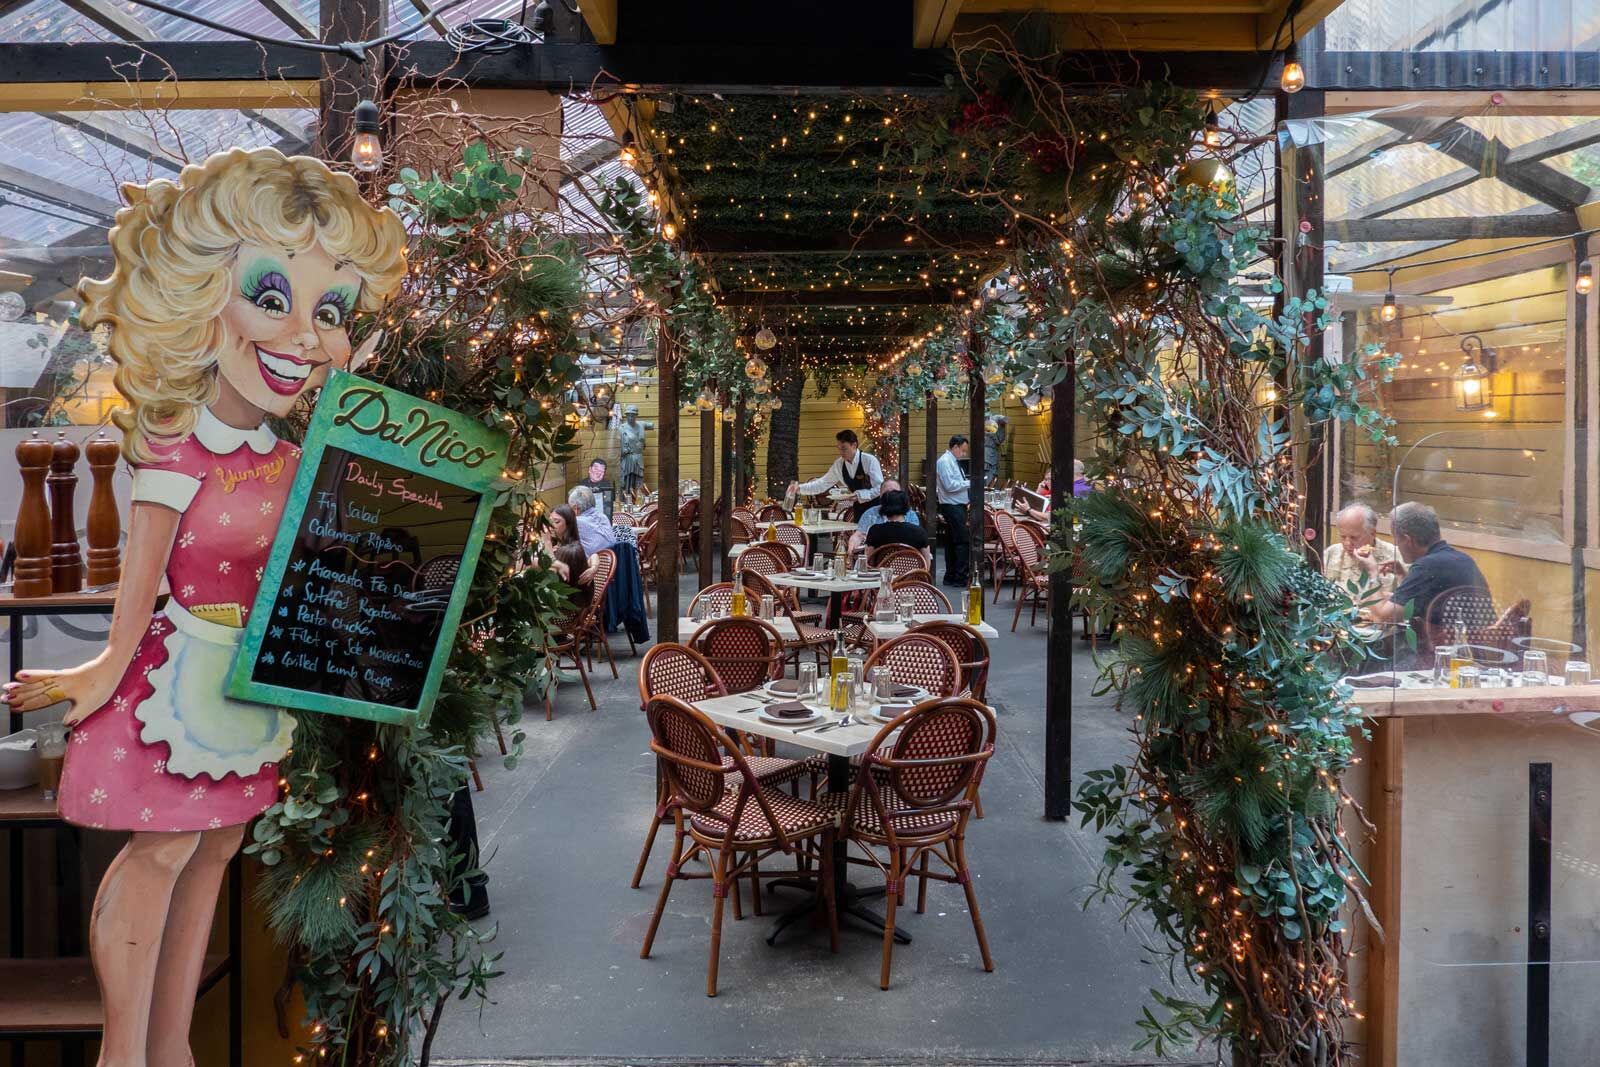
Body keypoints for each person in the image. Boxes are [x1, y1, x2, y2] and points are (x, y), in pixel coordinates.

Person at [1, 148, 408, 1067]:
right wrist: (91, 676)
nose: (305, 334)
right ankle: (123, 1051)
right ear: (197, 298)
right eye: (274, 296)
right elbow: (133, 607)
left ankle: (171, 1046)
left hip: (250, 690)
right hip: (169, 693)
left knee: (214, 856)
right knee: (157, 858)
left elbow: (329, 572)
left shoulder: (299, 459)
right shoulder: (173, 457)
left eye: (331, 312)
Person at [1355, 501, 1489, 665]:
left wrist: (1372, 572)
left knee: (1367, 662)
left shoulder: (1426, 567)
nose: (1396, 544)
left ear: (1407, 539)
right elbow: (1415, 604)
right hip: (1477, 651)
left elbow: (1384, 616)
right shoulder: (1462, 559)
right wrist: (1402, 575)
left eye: (1396, 539)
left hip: (1446, 658)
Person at [788, 428, 883, 520]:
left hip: (876, 508)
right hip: (858, 509)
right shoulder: (839, 465)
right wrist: (800, 488)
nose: (841, 452)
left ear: (854, 445)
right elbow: (822, 483)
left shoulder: (869, 460)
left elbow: (880, 488)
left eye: (844, 448)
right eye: (839, 449)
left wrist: (860, 495)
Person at [1322, 502, 1400, 602]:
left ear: (1372, 533)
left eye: (1354, 538)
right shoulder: (1331, 553)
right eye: (1343, 537)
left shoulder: (1394, 556)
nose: (1347, 543)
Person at [846, 478, 919, 557]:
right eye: (886, 493)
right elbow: (859, 535)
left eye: (894, 492)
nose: (891, 496)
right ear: (880, 495)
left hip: (904, 557)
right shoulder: (870, 513)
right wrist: (853, 543)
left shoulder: (910, 515)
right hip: (876, 558)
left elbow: (914, 538)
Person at [936, 434, 972, 587]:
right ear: (955, 447)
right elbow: (950, 485)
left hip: (956, 505)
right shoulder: (945, 462)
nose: (963, 454)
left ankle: (951, 576)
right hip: (952, 506)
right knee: (961, 542)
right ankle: (960, 577)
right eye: (962, 450)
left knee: (952, 542)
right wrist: (970, 483)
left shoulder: (952, 461)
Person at [863, 490, 932, 566]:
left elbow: (869, 563)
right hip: (911, 577)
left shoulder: (874, 531)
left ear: (883, 507)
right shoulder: (920, 532)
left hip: (883, 576)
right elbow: (926, 565)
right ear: (906, 507)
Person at [568, 485, 615, 556]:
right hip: (611, 562)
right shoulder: (603, 517)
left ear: (576, 508)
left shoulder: (577, 522)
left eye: (569, 507)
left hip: (594, 565)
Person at [618, 405, 649, 498]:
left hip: (638, 458)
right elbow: (617, 446)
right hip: (627, 458)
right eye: (629, 415)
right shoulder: (622, 428)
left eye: (633, 415)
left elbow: (652, 425)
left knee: (639, 480)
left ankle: (638, 500)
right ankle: (626, 500)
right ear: (626, 416)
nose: (631, 417)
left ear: (636, 416)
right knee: (627, 480)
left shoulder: (640, 426)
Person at [983, 414, 1006, 486]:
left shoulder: (994, 421)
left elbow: (1005, 419)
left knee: (992, 476)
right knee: (989, 477)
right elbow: (998, 440)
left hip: (992, 453)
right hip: (988, 455)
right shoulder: (989, 425)